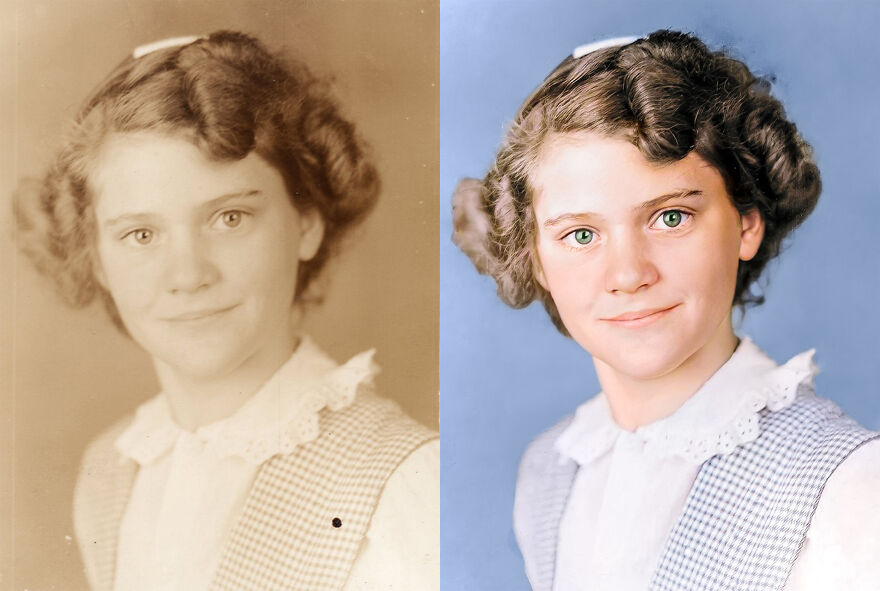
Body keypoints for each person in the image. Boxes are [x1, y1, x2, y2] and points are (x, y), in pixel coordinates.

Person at [452, 30, 879, 591]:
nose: (628, 275)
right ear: (535, 260)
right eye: (581, 234)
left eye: (670, 217)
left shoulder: (848, 483)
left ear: (746, 223)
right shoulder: (549, 473)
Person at [14, 31, 438, 591]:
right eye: (140, 234)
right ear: (96, 260)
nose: (188, 275)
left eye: (230, 218)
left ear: (306, 222)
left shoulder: (402, 481)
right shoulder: (110, 473)